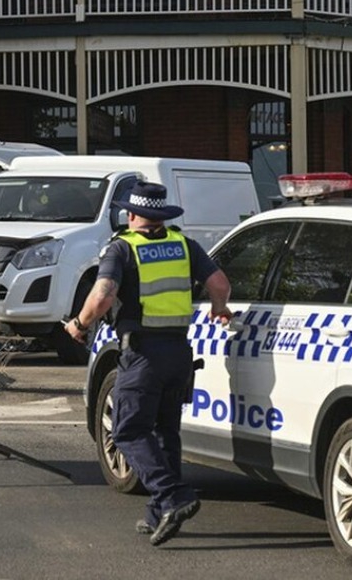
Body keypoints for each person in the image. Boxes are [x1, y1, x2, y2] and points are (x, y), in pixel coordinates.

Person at [65, 181, 232, 547]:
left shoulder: (122, 248)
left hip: (142, 355)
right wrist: (220, 308)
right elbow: (219, 283)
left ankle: (174, 495)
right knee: (164, 432)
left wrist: (79, 324)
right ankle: (160, 513)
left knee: (126, 430)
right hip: (179, 353)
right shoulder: (184, 245)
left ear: (131, 215)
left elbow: (104, 294)